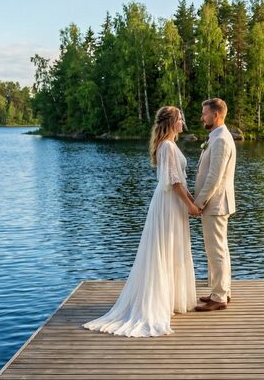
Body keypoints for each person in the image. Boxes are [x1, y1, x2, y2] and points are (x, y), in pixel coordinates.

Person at [83, 106, 200, 336]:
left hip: (173, 202)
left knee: (172, 248)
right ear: (170, 122)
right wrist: (191, 206)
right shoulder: (167, 145)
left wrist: (189, 199)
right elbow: (174, 181)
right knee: (163, 249)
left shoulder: (171, 144)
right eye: (179, 119)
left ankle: (171, 299)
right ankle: (158, 302)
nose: (182, 122)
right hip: (168, 203)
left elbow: (179, 180)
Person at [193, 98, 236, 312]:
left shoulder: (221, 140)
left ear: (216, 115)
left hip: (216, 204)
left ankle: (219, 297)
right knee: (220, 249)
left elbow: (214, 177)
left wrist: (198, 203)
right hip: (216, 203)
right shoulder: (217, 136)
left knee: (216, 251)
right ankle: (222, 291)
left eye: (205, 113)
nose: (202, 117)